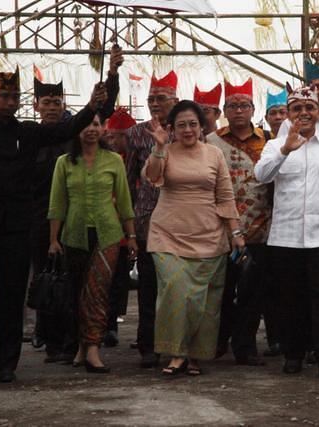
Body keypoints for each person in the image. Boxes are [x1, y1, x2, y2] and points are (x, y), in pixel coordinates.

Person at [0, 61, 104, 383]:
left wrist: (92, 106)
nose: (9, 102)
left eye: (14, 97)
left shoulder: (27, 132)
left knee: (12, 293)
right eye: (3, 95)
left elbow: (66, 130)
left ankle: (6, 362)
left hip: (16, 224)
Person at [254, 85, 319, 380]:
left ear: (318, 111)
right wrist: (285, 150)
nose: (304, 114)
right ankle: (293, 354)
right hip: (285, 237)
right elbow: (262, 176)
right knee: (290, 297)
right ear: (289, 114)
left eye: (309, 108)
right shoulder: (275, 146)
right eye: (297, 109)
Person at [32, 47, 123, 363]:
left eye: (58, 102)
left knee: (80, 285)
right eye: (47, 102)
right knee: (47, 281)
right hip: (39, 221)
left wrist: (111, 75)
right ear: (36, 106)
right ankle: (50, 340)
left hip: (78, 222)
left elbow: (102, 109)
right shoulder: (28, 135)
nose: (53, 107)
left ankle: (77, 341)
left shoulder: (73, 131)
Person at [144, 100, 244, 377]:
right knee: (175, 291)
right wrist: (160, 147)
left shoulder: (214, 154)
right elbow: (152, 177)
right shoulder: (164, 150)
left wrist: (235, 233)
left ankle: (195, 356)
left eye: (192, 124)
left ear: (201, 127)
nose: (187, 130)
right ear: (171, 128)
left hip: (209, 236)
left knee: (204, 302)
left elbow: (225, 195)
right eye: (181, 125)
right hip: (167, 235)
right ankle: (176, 353)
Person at [47, 113, 137, 374]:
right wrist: (53, 239)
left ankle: (93, 348)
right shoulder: (64, 163)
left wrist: (131, 236)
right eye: (86, 124)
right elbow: (57, 203)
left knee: (97, 292)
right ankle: (81, 346)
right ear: (77, 130)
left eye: (96, 124)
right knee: (77, 293)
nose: (91, 129)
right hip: (73, 235)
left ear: (103, 128)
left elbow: (123, 200)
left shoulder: (113, 161)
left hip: (108, 234)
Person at [207, 78, 276, 366]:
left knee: (252, 293)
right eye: (232, 106)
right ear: (224, 110)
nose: (238, 110)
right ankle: (217, 341)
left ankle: (245, 346)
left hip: (259, 229)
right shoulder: (212, 142)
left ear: (253, 109)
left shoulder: (268, 142)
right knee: (221, 290)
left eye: (244, 105)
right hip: (221, 229)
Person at [125, 70, 179, 368]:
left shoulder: (185, 130)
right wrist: (130, 225)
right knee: (148, 285)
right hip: (147, 218)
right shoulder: (135, 134)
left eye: (161, 98)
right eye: (151, 99)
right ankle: (148, 345)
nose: (155, 103)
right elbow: (129, 178)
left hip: (180, 219)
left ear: (175, 100)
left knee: (175, 285)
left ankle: (175, 343)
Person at [103, 108, 137, 348]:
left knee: (119, 281)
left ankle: (112, 325)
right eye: (111, 136)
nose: (114, 141)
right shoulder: (105, 159)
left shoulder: (138, 160)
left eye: (119, 136)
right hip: (106, 227)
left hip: (128, 230)